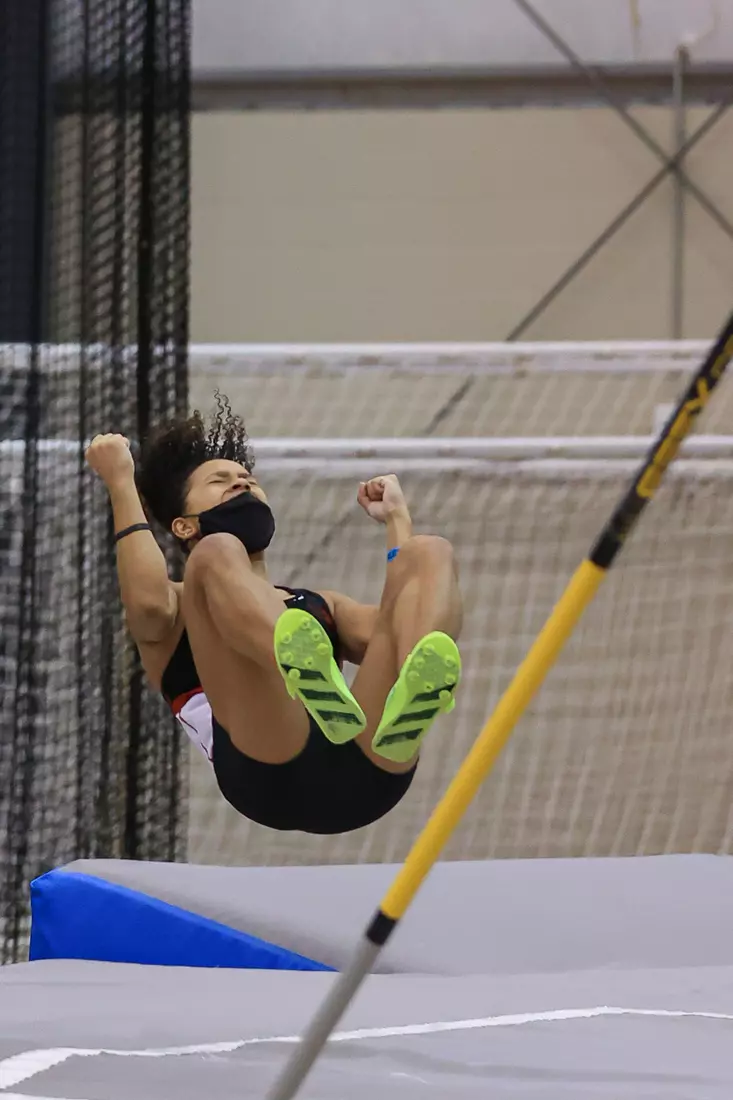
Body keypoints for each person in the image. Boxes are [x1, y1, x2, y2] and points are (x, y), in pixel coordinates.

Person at [85, 395, 463, 835]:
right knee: (216, 551)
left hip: (370, 766)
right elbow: (146, 603)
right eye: (221, 480)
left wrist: (396, 521)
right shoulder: (176, 606)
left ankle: (413, 701)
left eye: (247, 478)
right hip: (270, 777)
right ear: (183, 524)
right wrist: (120, 483)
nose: (242, 484)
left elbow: (394, 627)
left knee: (429, 552)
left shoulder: (321, 605)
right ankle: (296, 661)